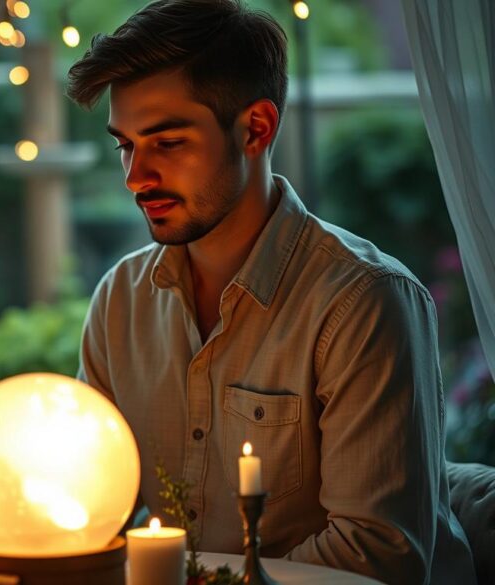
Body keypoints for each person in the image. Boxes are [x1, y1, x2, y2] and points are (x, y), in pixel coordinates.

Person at [67, 1, 475, 583]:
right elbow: (92, 496)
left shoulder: (363, 301)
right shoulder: (122, 299)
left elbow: (378, 555)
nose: (135, 176)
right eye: (125, 145)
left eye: (168, 142)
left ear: (256, 128)